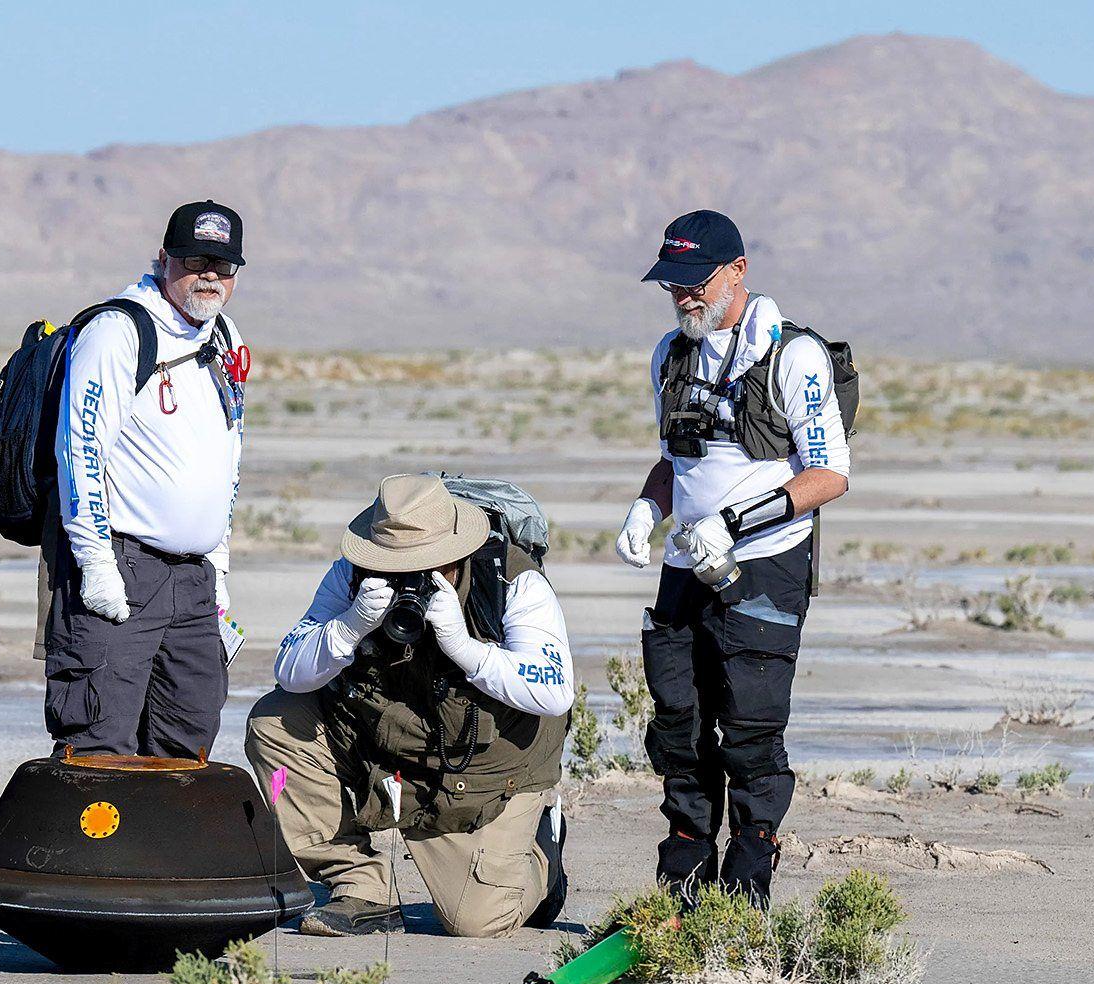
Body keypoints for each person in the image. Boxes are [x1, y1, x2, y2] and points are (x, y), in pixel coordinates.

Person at [614, 209, 852, 906]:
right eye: (672, 285)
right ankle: (682, 881)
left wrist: (735, 522)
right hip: (688, 566)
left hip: (766, 567)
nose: (684, 296)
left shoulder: (793, 356)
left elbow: (829, 474)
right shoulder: (671, 354)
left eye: (695, 282)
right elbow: (674, 462)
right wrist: (646, 509)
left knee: (749, 732)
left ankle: (746, 889)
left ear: (737, 271)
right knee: (678, 728)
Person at [247, 474, 572, 937]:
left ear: (458, 553)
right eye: (392, 565)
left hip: (485, 775)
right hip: (387, 750)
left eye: (425, 565)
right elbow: (290, 670)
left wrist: (466, 648)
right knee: (276, 721)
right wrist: (348, 627)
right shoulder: (353, 574)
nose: (407, 579)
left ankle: (543, 850)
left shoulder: (512, 582)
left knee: (476, 922)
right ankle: (359, 887)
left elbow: (556, 689)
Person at [45, 200, 248, 759]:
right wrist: (95, 566)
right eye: (193, 260)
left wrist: (219, 564)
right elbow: (79, 450)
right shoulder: (118, 331)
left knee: (189, 739)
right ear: (163, 259)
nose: (208, 275)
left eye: (223, 265)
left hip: (195, 580)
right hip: (122, 564)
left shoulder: (223, 335)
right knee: (100, 744)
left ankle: (163, 850)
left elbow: (227, 453)